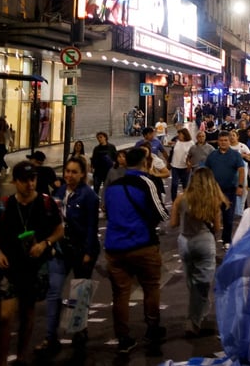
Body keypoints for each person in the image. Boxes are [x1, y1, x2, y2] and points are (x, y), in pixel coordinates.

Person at [0, 161, 64, 366]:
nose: (29, 184)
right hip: (10, 265)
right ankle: (2, 361)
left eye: (32, 179)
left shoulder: (47, 202)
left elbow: (59, 229)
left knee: (27, 312)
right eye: (24, 181)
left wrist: (45, 243)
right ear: (15, 182)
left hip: (35, 266)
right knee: (5, 316)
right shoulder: (5, 204)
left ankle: (21, 357)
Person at [102, 147, 168, 355]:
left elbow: (107, 211)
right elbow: (162, 213)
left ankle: (123, 337)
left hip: (114, 247)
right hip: (142, 244)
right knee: (150, 287)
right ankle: (152, 328)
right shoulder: (145, 182)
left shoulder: (113, 186)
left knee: (120, 294)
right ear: (144, 163)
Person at [38, 157, 100, 356]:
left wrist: (89, 252)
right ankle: (50, 337)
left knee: (79, 291)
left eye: (74, 172)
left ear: (82, 174)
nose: (69, 175)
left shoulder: (89, 196)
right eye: (67, 171)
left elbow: (92, 226)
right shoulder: (59, 192)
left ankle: (79, 330)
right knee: (54, 292)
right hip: (61, 250)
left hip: (81, 250)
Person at [169, 167, 226, 338]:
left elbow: (173, 224)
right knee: (203, 284)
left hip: (185, 241)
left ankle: (199, 317)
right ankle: (193, 322)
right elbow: (217, 227)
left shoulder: (181, 198)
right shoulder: (213, 199)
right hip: (204, 240)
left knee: (191, 281)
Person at [204, 131, 245, 250]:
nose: (223, 143)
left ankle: (226, 240)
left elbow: (241, 170)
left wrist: (240, 186)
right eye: (221, 140)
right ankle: (210, 239)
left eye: (225, 140)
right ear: (218, 141)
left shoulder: (235, 155)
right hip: (214, 191)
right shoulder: (212, 155)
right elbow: (207, 171)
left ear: (229, 141)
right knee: (211, 216)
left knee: (228, 217)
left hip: (230, 191)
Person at [169, 127, 195, 200]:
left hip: (185, 167)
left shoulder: (191, 143)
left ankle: (186, 200)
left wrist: (190, 164)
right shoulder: (177, 141)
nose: (179, 136)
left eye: (180, 134)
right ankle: (174, 200)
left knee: (185, 185)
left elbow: (192, 155)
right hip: (175, 166)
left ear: (184, 135)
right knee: (174, 184)